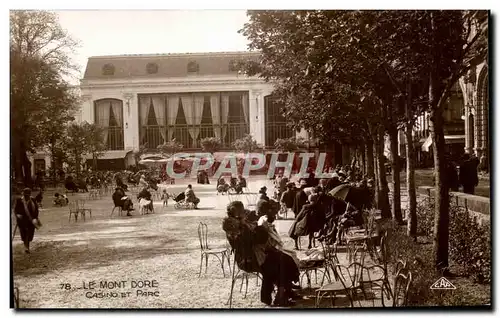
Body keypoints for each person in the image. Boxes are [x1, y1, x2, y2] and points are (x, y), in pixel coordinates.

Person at [14, 188, 41, 253]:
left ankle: (27, 245)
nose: (26, 196)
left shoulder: (33, 200)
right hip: (22, 220)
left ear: (29, 194)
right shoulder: (19, 200)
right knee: (25, 233)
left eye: (27, 195)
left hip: (31, 220)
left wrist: (35, 218)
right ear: (23, 194)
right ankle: (26, 247)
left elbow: (36, 210)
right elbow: (16, 210)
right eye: (25, 195)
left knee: (30, 234)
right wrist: (17, 215)